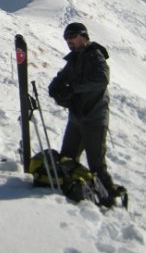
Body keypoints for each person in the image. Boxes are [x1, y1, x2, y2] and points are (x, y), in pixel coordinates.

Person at [48, 22, 119, 201]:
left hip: (94, 119)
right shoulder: (73, 59)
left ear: (83, 36)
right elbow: (60, 80)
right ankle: (77, 190)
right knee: (67, 159)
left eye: (71, 37)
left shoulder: (95, 55)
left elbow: (102, 79)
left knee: (97, 166)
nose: (68, 41)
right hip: (76, 119)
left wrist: (73, 89)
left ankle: (108, 201)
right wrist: (56, 90)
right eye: (66, 38)